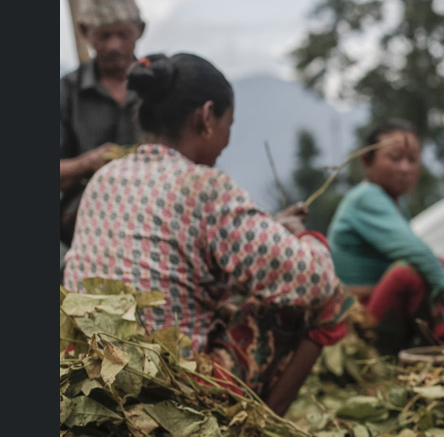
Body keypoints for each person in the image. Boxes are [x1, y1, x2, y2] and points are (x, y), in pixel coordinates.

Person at [63, 53, 352, 416]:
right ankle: (265, 435)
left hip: (92, 374)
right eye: (229, 124)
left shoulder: (105, 177)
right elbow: (313, 279)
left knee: (232, 297)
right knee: (330, 296)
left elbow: (176, 258)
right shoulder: (202, 185)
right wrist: (305, 240)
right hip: (168, 388)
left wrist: (273, 229)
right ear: (207, 116)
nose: (228, 140)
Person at [327, 121, 444, 354]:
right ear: (367, 162)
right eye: (395, 158)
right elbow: (419, 255)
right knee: (410, 272)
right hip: (355, 319)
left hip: (374, 306)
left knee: (437, 265)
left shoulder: (396, 203)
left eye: (412, 159)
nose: (405, 168)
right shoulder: (366, 197)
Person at [60, 0, 147, 249]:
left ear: (140, 30)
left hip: (155, 208)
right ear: (85, 32)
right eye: (104, 35)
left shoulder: (159, 85)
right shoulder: (67, 92)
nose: (113, 45)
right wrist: (89, 162)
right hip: (85, 220)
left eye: (123, 34)